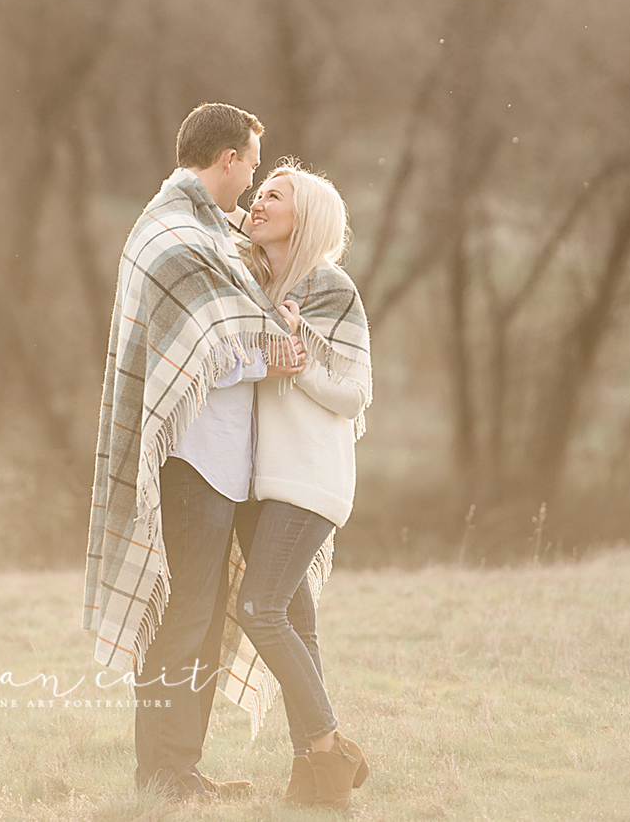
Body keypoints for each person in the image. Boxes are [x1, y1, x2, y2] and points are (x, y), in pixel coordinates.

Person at [82, 103, 306, 803]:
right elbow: (199, 347)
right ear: (230, 158)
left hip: (217, 460)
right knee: (185, 616)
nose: (251, 187)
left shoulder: (201, 230)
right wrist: (269, 360)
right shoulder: (175, 234)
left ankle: (179, 768)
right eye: (251, 167)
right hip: (190, 461)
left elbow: (225, 316)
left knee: (206, 615)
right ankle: (162, 776)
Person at [233, 162, 372, 810]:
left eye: (274, 196)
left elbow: (355, 392)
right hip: (260, 480)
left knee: (259, 608)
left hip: (308, 478)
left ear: (306, 215)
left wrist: (298, 352)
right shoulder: (256, 282)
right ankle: (310, 779)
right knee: (296, 623)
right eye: (258, 193)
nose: (258, 201)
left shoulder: (332, 288)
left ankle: (329, 747)